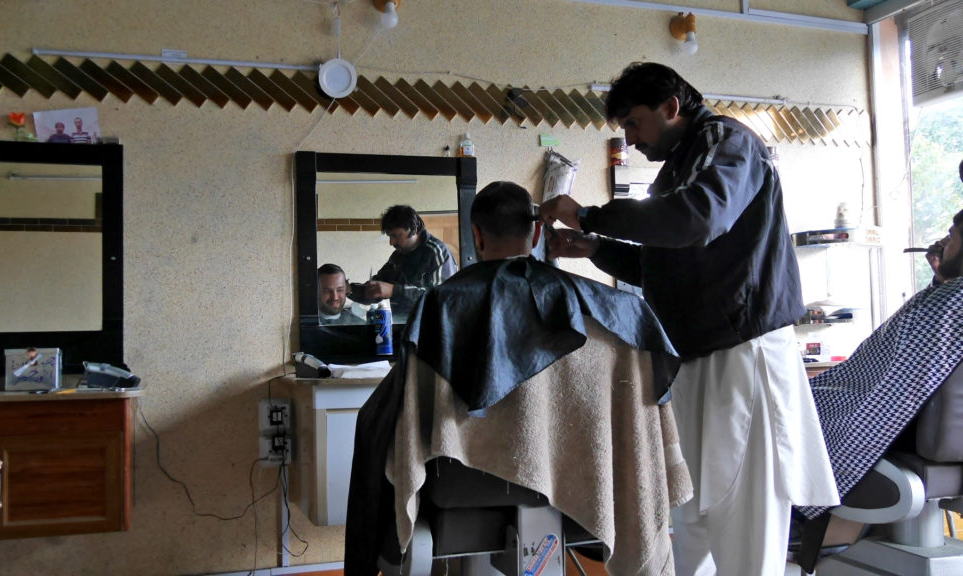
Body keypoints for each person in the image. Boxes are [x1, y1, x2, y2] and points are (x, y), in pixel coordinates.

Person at [539, 62, 838, 576]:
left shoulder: (730, 143)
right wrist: (594, 248)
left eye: (633, 123)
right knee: (691, 513)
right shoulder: (682, 164)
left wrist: (589, 214)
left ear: (671, 107)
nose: (630, 140)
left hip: (743, 355)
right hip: (697, 360)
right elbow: (664, 261)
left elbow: (698, 220)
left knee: (744, 523)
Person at [344, 181, 688, 576]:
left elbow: (405, 419)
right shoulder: (614, 309)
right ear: (538, 232)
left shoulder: (444, 305)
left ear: (475, 236)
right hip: (588, 474)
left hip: (462, 482)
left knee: (372, 425)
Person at [792, 207, 963, 572]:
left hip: (904, 425)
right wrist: (943, 275)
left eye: (953, 234)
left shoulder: (952, 301)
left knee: (794, 412)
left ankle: (808, 520)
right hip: (940, 434)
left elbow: (888, 388)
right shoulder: (950, 298)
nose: (945, 241)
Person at [363, 204, 457, 317]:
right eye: (389, 236)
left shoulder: (436, 252)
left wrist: (394, 291)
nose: (391, 242)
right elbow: (378, 284)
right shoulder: (397, 256)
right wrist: (349, 289)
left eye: (395, 235)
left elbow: (440, 298)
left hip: (431, 329)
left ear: (413, 230)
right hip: (403, 327)